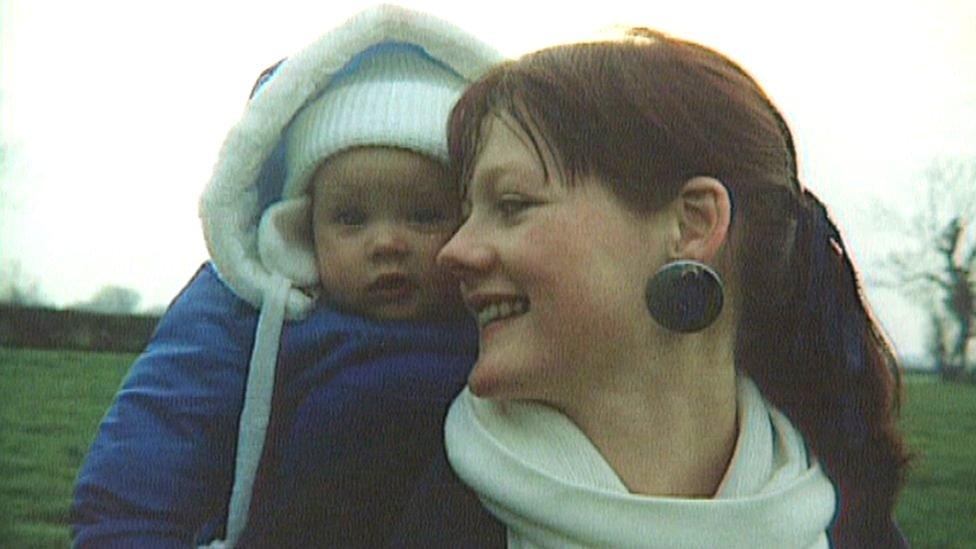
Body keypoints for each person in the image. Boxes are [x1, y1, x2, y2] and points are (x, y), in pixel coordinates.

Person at [397, 28, 910, 548]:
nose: (454, 252)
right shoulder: (375, 481)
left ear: (691, 225)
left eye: (511, 205)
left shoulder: (856, 529)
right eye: (466, 215)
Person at [70, 6, 502, 547]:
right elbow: (151, 459)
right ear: (300, 230)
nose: (388, 242)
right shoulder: (253, 323)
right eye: (351, 218)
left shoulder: (504, 325)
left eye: (423, 215)